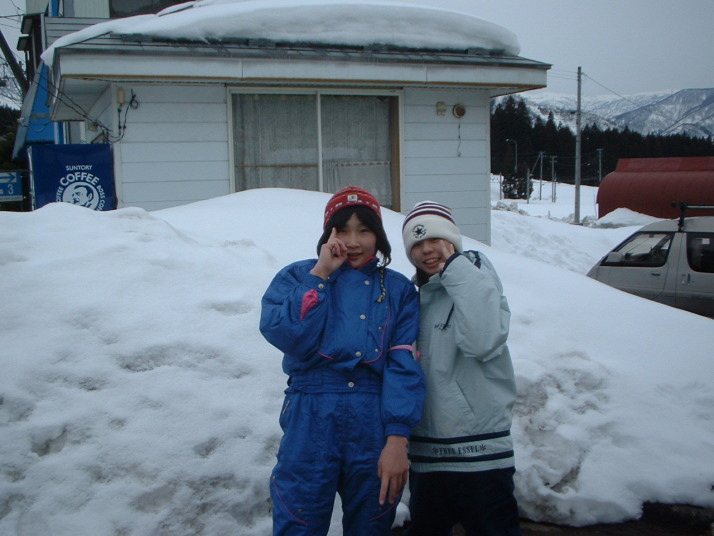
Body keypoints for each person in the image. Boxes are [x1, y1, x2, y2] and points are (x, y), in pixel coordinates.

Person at [260, 186, 426, 536]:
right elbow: (287, 335)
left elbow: (403, 365)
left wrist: (397, 438)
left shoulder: (398, 290)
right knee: (298, 520)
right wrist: (320, 275)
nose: (353, 242)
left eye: (364, 230)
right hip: (310, 413)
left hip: (373, 419)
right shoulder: (299, 276)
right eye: (343, 230)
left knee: (372, 522)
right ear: (328, 234)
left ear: (378, 237)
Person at [401, 201, 521, 536]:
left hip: (480, 452)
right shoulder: (415, 296)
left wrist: (455, 267)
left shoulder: (476, 277)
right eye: (417, 244)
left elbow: (483, 340)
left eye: (435, 240)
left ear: (453, 240)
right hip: (427, 454)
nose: (427, 250)